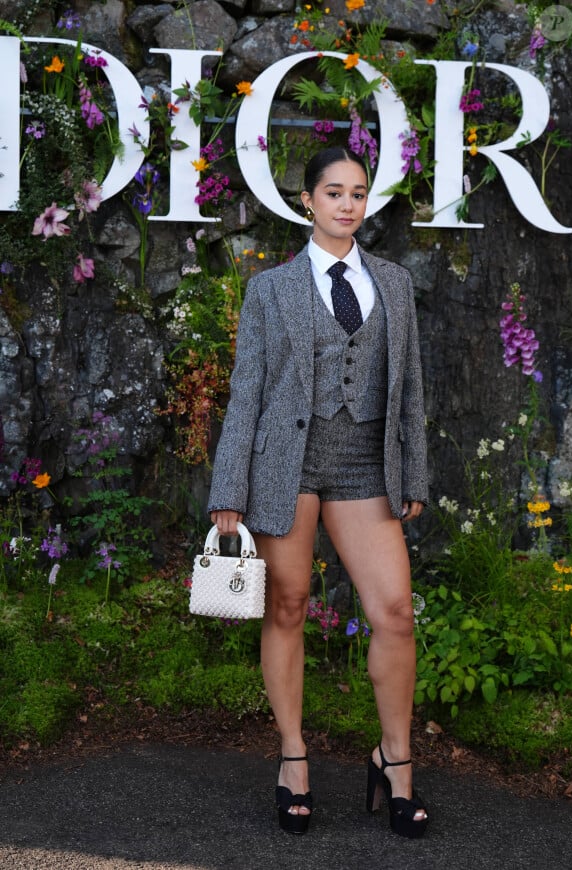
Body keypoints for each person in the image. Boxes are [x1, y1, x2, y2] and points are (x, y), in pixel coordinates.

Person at [208, 146, 429, 838]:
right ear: (308, 200)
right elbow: (246, 394)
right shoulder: (270, 289)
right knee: (289, 605)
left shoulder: (393, 283)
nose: (346, 204)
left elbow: (412, 386)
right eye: (333, 192)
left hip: (365, 465)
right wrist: (229, 488)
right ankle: (293, 759)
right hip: (288, 463)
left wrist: (413, 472)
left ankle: (394, 763)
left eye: (357, 193)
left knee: (394, 612)